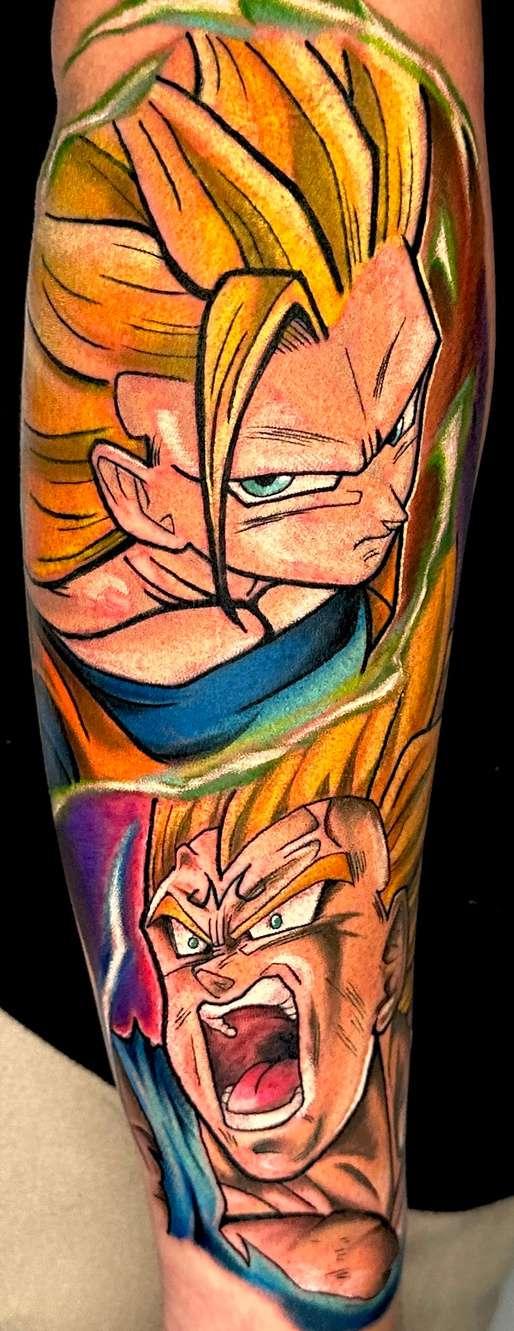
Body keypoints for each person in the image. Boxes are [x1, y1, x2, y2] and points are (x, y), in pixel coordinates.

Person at [22, 1, 494, 1328]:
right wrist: (240, 1293)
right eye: (289, 477)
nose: (378, 502)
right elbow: (269, 46)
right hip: (101, 1131)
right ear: (141, 495)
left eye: (394, 425)